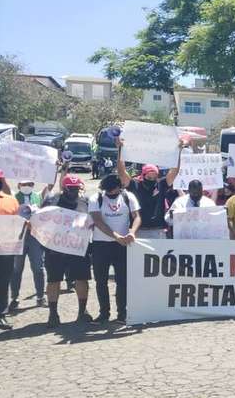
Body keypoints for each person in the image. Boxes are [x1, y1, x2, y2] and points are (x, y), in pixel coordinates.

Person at [41, 174, 94, 327]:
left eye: (77, 188)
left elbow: (93, 220)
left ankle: (82, 312)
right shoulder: (51, 200)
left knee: (82, 279)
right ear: (64, 188)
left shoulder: (86, 201)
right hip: (55, 249)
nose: (74, 191)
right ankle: (53, 314)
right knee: (53, 280)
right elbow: (41, 220)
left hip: (78, 248)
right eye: (71, 189)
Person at [88, 174, 142, 324]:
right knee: (101, 281)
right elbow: (97, 221)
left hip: (123, 245)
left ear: (120, 187)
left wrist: (132, 231)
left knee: (122, 280)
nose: (109, 193)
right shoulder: (96, 198)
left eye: (112, 191)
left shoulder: (128, 196)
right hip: (101, 244)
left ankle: (122, 314)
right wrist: (116, 236)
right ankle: (104, 313)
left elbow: (137, 216)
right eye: (107, 191)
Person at [116, 137, 180, 239]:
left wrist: (178, 151)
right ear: (143, 175)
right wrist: (120, 150)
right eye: (149, 177)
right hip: (138, 231)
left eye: (154, 177)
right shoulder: (134, 185)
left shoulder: (161, 184)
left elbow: (175, 171)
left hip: (158, 231)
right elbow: (121, 172)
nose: (152, 180)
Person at [10, 179, 52, 310]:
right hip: (18, 238)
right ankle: (14, 298)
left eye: (30, 184)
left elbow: (50, 184)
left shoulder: (38, 196)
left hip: (35, 237)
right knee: (16, 269)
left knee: (38, 268)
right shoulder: (13, 197)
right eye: (24, 184)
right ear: (19, 185)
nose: (27, 186)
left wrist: (57, 168)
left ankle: (40, 297)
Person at [0, 169, 20, 330]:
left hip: (5, 250)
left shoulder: (11, 201)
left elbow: (18, 223)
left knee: (3, 282)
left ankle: (1, 314)